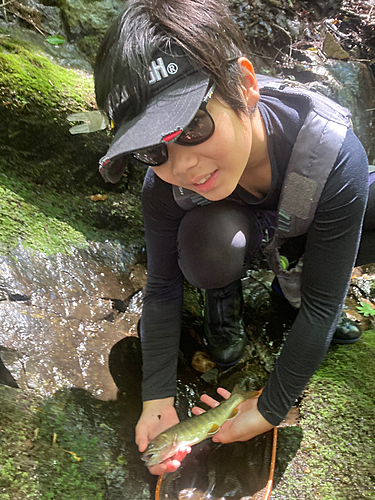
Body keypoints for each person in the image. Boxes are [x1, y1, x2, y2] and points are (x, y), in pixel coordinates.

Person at [94, 0, 374, 476]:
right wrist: (156, 395)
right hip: (227, 232)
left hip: (303, 222)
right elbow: (162, 287)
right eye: (150, 150)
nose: (179, 167)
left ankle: (289, 295)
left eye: (193, 127)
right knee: (208, 243)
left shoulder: (332, 151)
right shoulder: (165, 183)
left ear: (245, 87)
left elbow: (326, 306)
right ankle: (222, 299)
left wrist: (271, 407)